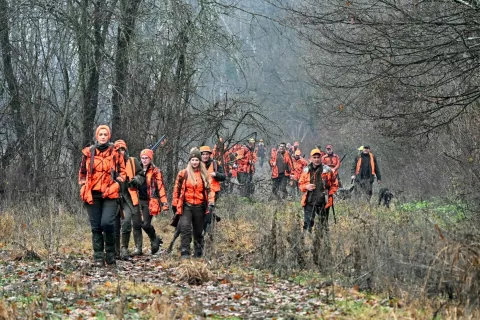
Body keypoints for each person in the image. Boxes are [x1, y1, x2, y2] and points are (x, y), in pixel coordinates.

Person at [79, 125, 126, 267]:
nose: (103, 136)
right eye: (101, 134)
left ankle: (110, 254)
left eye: (106, 134)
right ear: (97, 136)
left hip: (110, 194)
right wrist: (82, 186)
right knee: (96, 227)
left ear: (109, 136)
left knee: (107, 223)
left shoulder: (116, 153)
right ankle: (98, 256)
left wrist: (116, 185)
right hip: (92, 195)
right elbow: (82, 173)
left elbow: (123, 174)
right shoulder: (88, 153)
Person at [172, 148, 215, 258]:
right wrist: (175, 204)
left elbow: (210, 190)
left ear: (199, 161)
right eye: (193, 160)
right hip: (186, 206)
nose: (194, 162)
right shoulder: (183, 173)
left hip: (200, 207)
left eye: (196, 160)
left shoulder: (204, 174)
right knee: (185, 228)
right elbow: (176, 189)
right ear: (189, 161)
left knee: (198, 231)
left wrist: (211, 203)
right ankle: (185, 251)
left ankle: (198, 252)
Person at [113, 140, 145, 260]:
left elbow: (141, 175)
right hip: (113, 197)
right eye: (118, 150)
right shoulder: (110, 163)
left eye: (122, 149)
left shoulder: (132, 161)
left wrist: (136, 179)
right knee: (113, 226)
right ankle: (114, 251)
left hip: (127, 197)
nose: (120, 152)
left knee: (127, 222)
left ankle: (124, 248)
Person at [136, 148, 168, 255]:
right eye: (142, 158)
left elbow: (161, 187)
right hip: (137, 199)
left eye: (146, 158)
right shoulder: (136, 169)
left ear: (150, 159)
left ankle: (154, 239)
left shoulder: (155, 171)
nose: (144, 160)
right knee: (137, 223)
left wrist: (164, 203)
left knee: (146, 224)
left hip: (149, 201)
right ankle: (140, 247)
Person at [299, 148, 338, 233]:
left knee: (323, 225)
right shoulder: (306, 170)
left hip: (323, 202)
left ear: (321, 158)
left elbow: (335, 184)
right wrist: (306, 186)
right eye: (314, 157)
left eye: (318, 157)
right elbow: (300, 185)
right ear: (310, 158)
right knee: (308, 224)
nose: (316, 159)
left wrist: (329, 192)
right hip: (309, 201)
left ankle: (323, 243)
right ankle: (306, 242)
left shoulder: (327, 170)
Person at [200, 145, 226, 232]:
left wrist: (216, 174)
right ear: (200, 155)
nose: (205, 156)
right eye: (203, 154)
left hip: (213, 192)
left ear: (210, 154)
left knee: (209, 209)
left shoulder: (215, 164)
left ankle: (206, 229)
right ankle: (213, 218)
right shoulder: (196, 164)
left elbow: (223, 176)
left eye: (207, 154)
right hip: (200, 192)